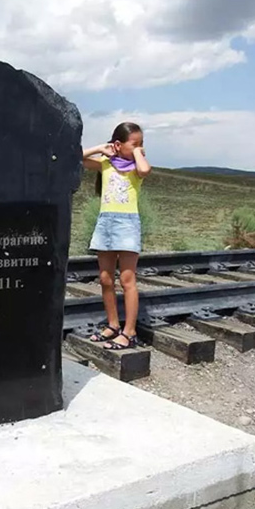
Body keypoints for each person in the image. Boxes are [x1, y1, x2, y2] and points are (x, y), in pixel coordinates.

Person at [82, 122, 152, 350]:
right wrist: (100, 148)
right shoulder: (106, 164)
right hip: (106, 223)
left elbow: (145, 170)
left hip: (127, 224)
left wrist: (137, 152)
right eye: (135, 143)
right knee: (105, 278)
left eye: (141, 143)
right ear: (118, 145)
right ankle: (113, 325)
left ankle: (129, 332)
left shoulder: (136, 167)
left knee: (127, 280)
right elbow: (75, 158)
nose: (139, 147)